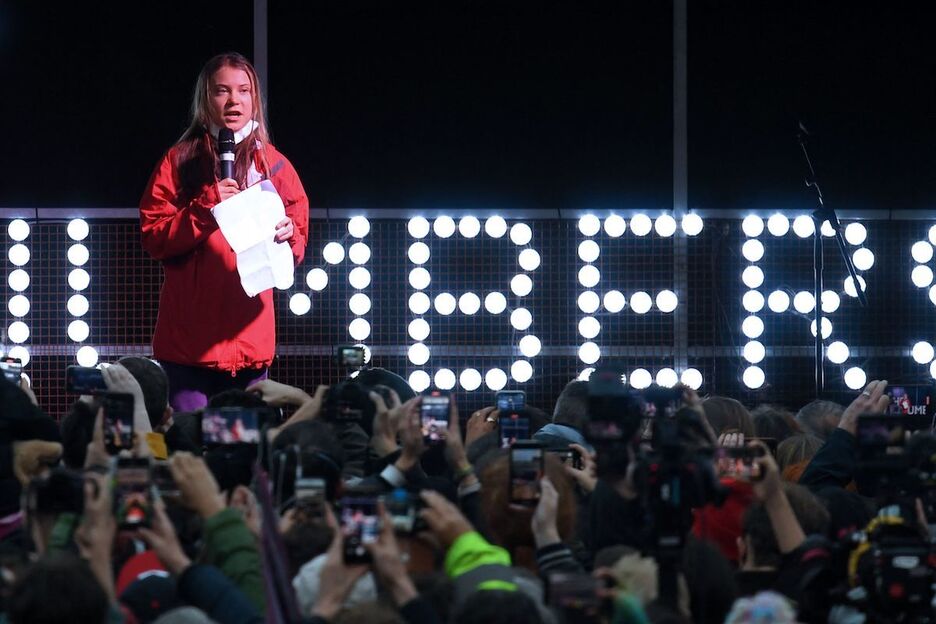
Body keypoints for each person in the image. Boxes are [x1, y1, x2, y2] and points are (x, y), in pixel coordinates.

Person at [139, 51, 309, 411]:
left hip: (250, 349)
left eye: (243, 90)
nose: (234, 100)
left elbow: (297, 242)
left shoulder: (275, 165)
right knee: (190, 452)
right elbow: (154, 236)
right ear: (206, 99)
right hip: (188, 350)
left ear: (254, 99)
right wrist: (207, 209)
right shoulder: (179, 161)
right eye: (222, 91)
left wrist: (288, 236)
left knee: (242, 458)